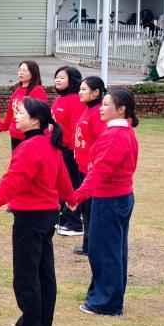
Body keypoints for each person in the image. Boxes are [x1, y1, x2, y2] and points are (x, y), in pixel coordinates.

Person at [0, 98, 73, 326]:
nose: (16, 115)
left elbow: (12, 183)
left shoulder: (29, 148)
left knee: (26, 273)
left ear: (36, 121)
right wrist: (71, 198)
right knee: (43, 270)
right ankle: (43, 324)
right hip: (47, 215)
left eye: (21, 112)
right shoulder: (49, 144)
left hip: (31, 217)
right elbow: (62, 178)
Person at [71, 87, 140, 317]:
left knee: (105, 250)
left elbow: (100, 171)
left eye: (107, 104)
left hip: (110, 198)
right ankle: (105, 295)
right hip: (118, 196)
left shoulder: (116, 136)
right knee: (113, 249)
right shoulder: (122, 132)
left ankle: (106, 302)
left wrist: (78, 196)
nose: (102, 108)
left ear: (121, 109)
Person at [70, 76, 106, 256]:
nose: (80, 93)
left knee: (91, 209)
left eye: (84, 89)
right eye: (80, 89)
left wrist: (93, 165)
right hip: (82, 166)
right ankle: (88, 243)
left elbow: (101, 142)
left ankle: (92, 245)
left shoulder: (98, 113)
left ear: (96, 93)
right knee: (85, 208)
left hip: (90, 170)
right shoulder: (87, 109)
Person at [50, 66, 86, 238]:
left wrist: (72, 150)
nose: (58, 80)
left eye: (62, 77)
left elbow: (76, 128)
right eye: (56, 77)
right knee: (60, 185)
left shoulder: (75, 100)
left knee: (72, 185)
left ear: (72, 81)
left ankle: (75, 222)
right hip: (59, 149)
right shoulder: (59, 99)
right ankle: (64, 217)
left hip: (71, 151)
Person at [0, 61, 48, 152]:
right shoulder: (18, 90)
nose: (20, 73)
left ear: (33, 73)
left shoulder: (38, 91)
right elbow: (10, 112)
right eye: (20, 70)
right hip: (15, 133)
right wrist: (3, 126)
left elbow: (40, 116)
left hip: (28, 136)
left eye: (24, 70)